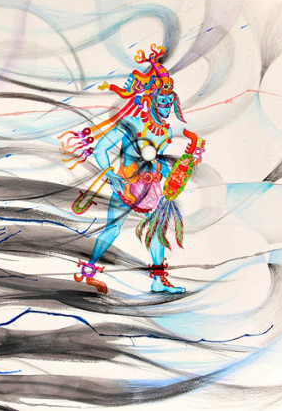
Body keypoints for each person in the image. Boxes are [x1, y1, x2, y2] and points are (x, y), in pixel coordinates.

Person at [85, 45, 200, 294]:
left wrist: (180, 171)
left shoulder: (165, 132)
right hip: (126, 186)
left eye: (170, 102)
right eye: (162, 101)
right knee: (113, 229)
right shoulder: (131, 123)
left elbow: (157, 163)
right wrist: (110, 174)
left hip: (152, 189)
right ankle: (89, 270)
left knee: (157, 230)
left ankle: (158, 280)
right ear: (152, 100)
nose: (166, 107)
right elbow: (100, 149)